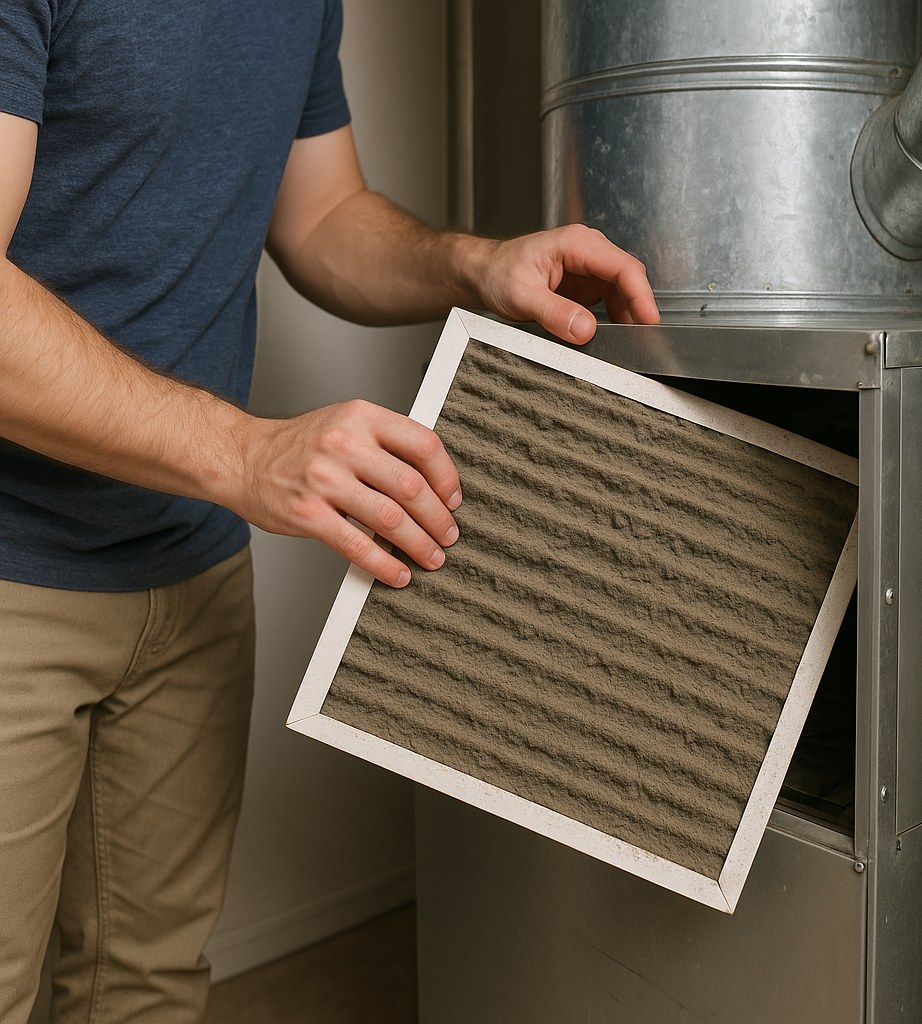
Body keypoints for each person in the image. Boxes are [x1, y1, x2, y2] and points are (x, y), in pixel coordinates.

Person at [0, 2, 659, 1021]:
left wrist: (471, 266)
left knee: (147, 986)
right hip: (16, 568)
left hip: (192, 564)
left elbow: (319, 216)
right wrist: (249, 453)